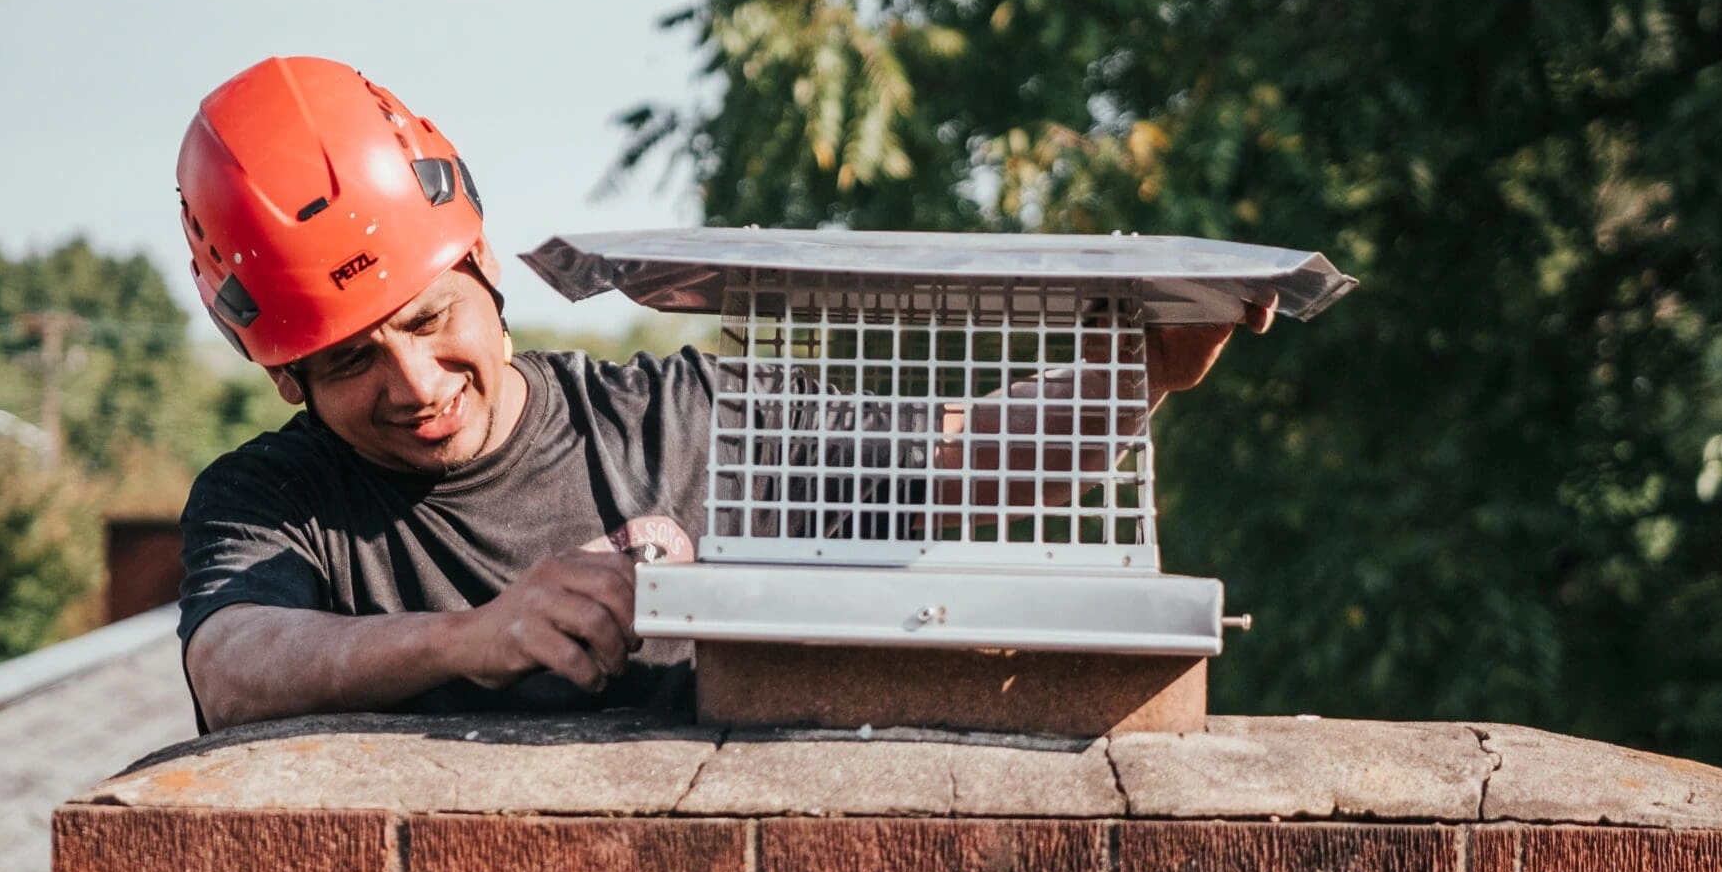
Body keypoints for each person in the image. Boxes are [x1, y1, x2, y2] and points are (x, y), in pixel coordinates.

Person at [172, 56, 1266, 733]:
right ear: (287, 376)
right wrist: (471, 637)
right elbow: (230, 667)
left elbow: (962, 450)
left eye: (425, 320)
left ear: (485, 269)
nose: (415, 385)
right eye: (350, 362)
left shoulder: (682, 419)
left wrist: (1147, 371)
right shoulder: (275, 498)